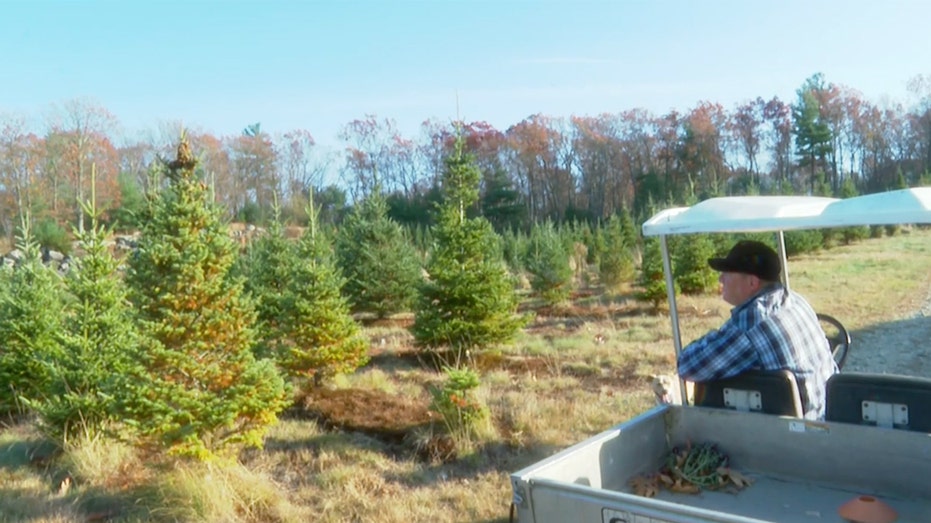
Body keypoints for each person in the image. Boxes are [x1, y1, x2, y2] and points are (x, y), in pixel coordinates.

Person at [677, 239, 838, 420]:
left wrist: (714, 336)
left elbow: (688, 366)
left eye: (728, 273)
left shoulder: (751, 324)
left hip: (796, 434)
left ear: (753, 283)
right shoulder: (794, 299)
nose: (720, 278)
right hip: (827, 414)